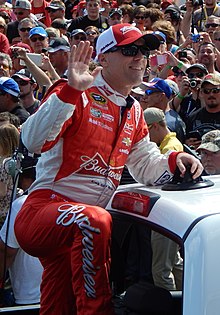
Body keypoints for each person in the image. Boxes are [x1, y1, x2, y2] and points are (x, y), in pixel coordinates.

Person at [14, 24, 203, 315]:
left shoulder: (135, 109)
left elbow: (144, 165)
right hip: (45, 211)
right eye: (129, 50)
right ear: (103, 58)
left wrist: (175, 161)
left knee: (58, 304)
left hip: (79, 231)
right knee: (95, 220)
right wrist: (71, 91)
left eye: (144, 50)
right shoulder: (78, 89)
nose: (140, 57)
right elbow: (32, 140)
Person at [144, 107, 183, 290]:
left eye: (145, 131)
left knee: (161, 270)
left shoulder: (170, 147)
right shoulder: (168, 144)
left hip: (165, 215)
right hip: (171, 215)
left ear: (154, 127)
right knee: (175, 263)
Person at [0, 152, 43, 305]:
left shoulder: (22, 204)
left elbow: (6, 250)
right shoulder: (69, 199)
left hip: (30, 295)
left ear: (25, 179)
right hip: (62, 293)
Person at [144, 77, 186, 143]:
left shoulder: (168, 123)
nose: (145, 96)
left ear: (161, 96)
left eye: (149, 92)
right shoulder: (169, 116)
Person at [186, 73, 220, 149]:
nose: (211, 94)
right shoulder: (193, 117)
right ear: (201, 93)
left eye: (215, 91)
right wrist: (189, 143)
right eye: (206, 91)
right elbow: (186, 142)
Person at [0, 123, 20, 227]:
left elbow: (1, 192)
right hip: (13, 208)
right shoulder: (17, 160)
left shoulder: (3, 165)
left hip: (2, 212)